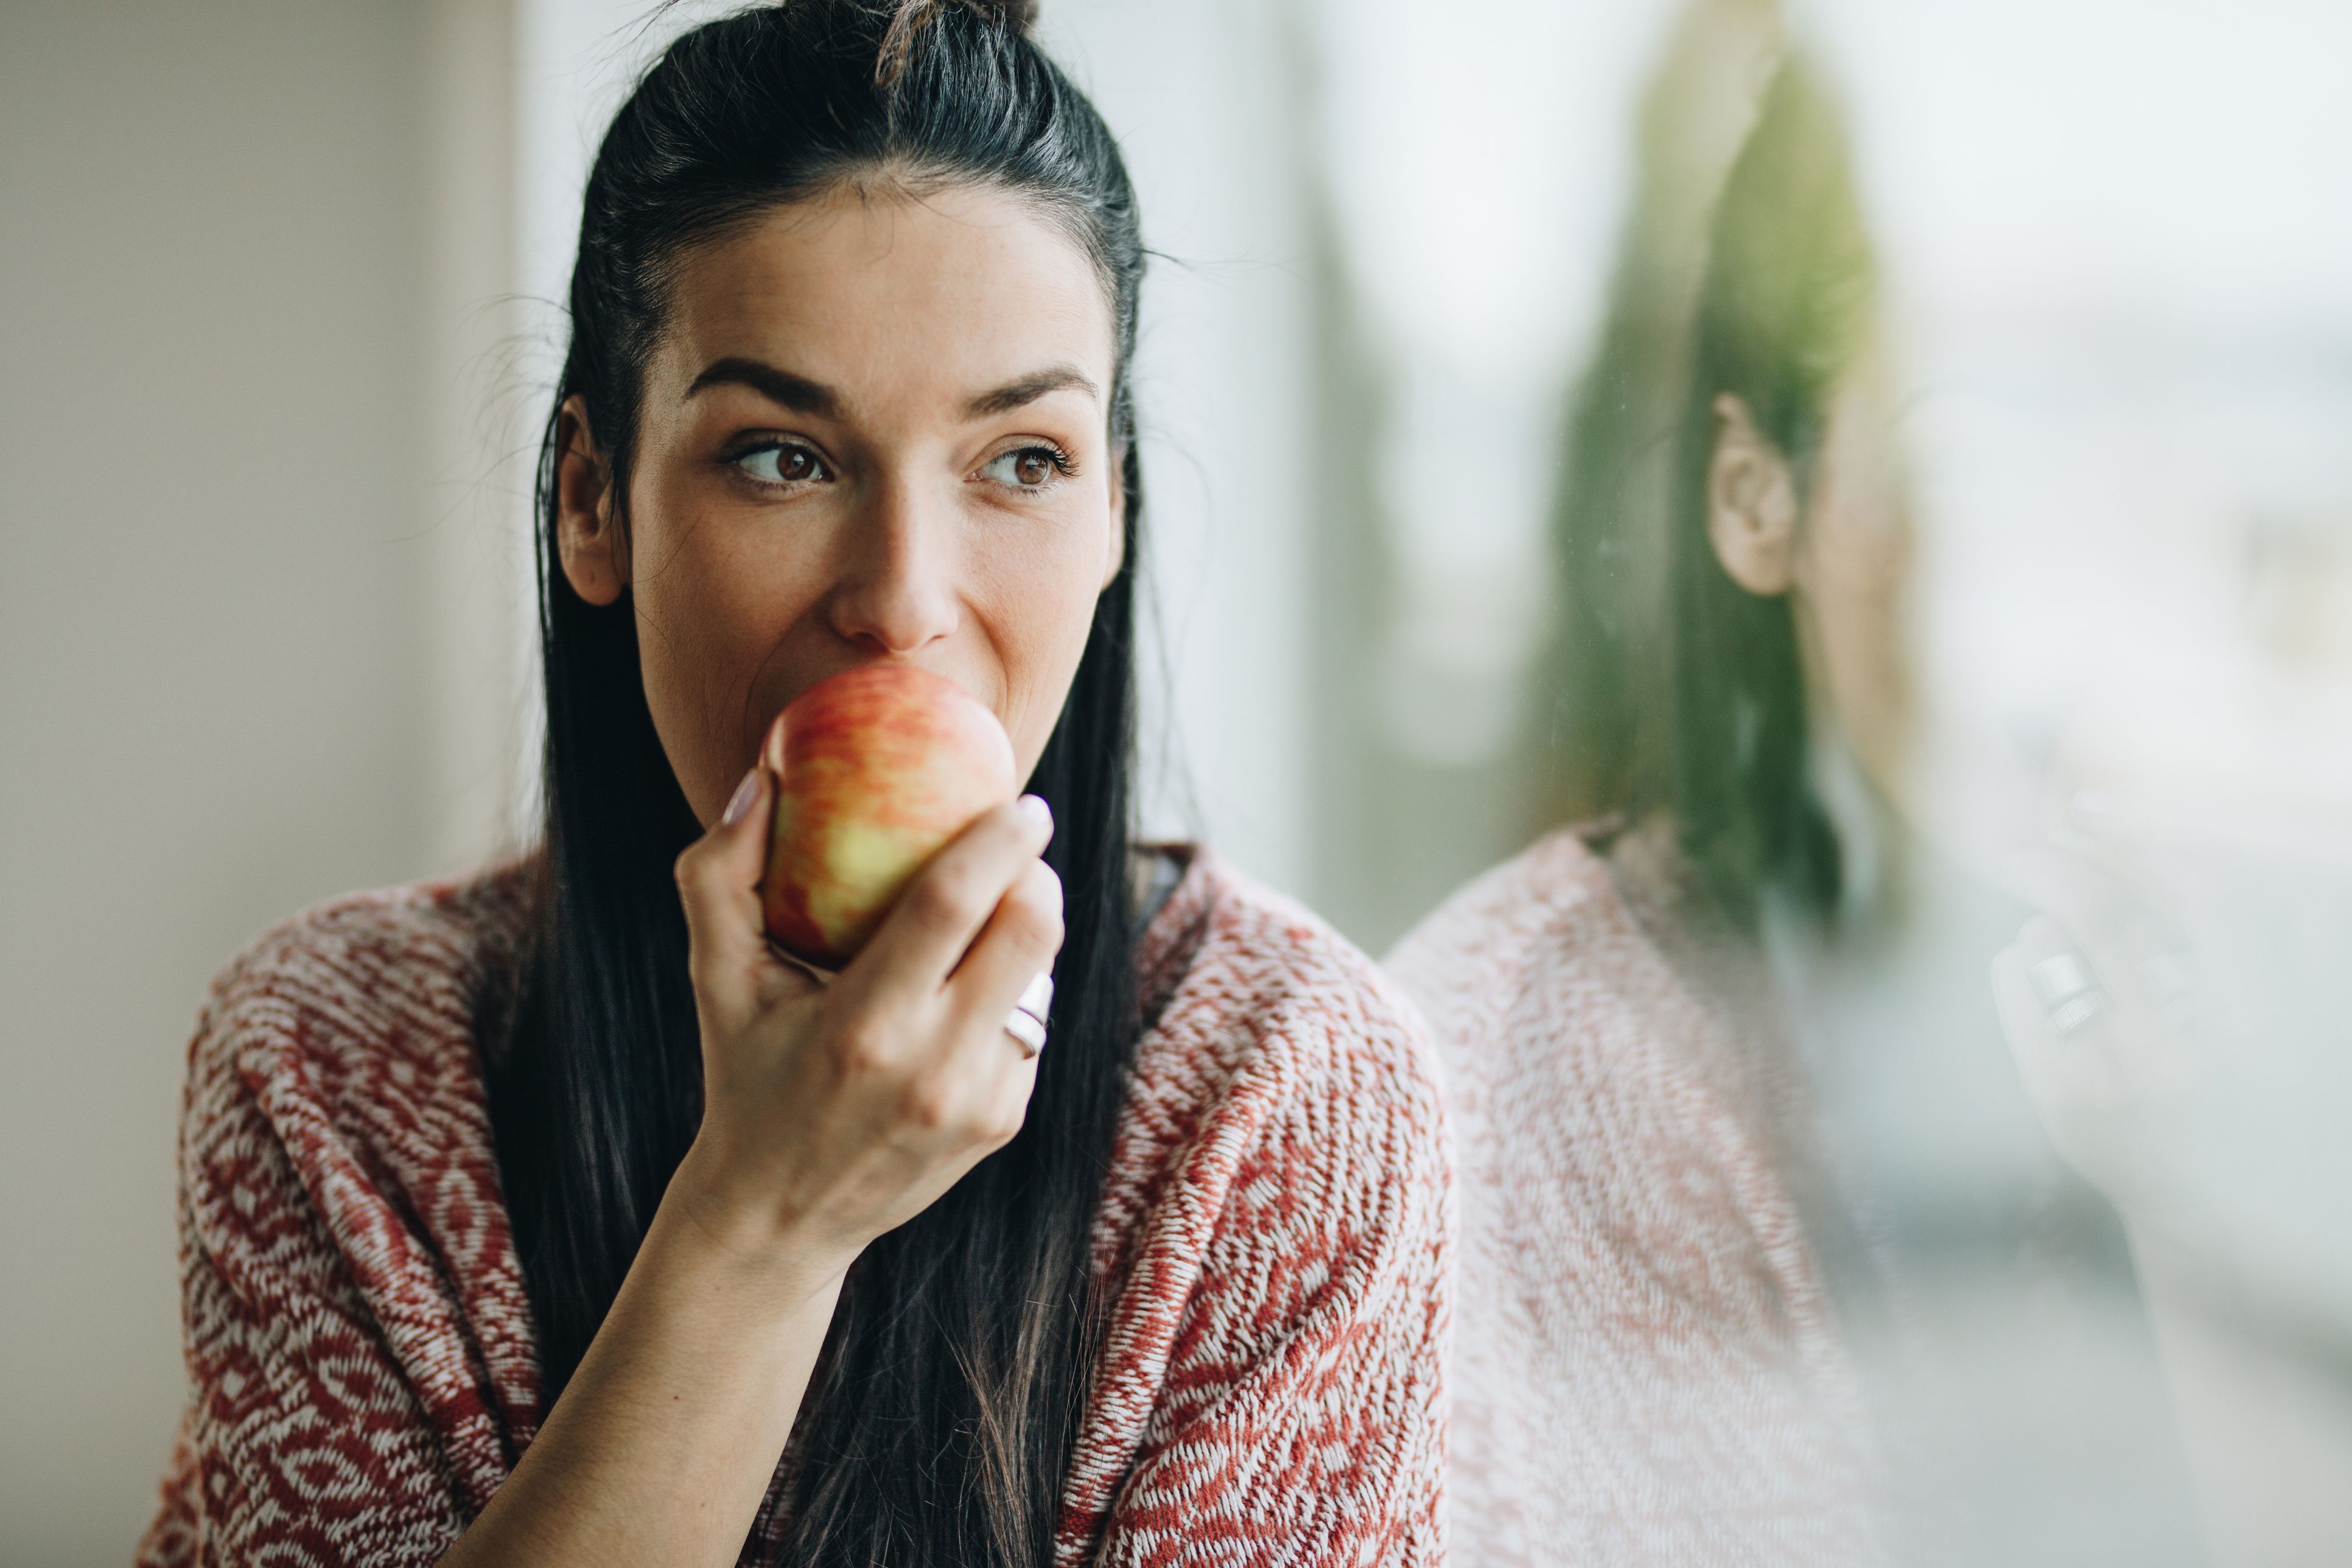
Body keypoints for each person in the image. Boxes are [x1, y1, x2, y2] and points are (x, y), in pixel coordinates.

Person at [135, 5, 1448, 1565]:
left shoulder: (1286, 1089)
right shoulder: (337, 1061)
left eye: (1023, 459)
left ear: (1114, 514)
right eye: (783, 456)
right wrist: (761, 1227)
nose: (901, 599)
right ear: (592, 502)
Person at [1393, 43, 2197, 1568]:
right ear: (1748, 499)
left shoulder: (2004, 986)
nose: (1945, 554)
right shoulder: (1520, 1049)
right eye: (1928, 467)